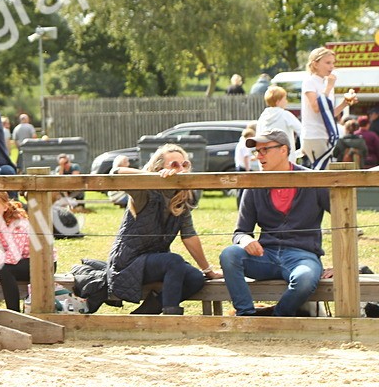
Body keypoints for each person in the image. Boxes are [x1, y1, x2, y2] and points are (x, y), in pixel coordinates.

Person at [219, 130, 330, 317]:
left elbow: (346, 221)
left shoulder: (312, 180)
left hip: (302, 256)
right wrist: (246, 241)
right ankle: (247, 315)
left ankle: (275, 316)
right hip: (265, 255)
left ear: (284, 150)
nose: (258, 156)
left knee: (305, 278)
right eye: (256, 151)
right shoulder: (254, 184)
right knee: (229, 255)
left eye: (264, 150)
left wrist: (340, 266)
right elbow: (240, 232)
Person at [106, 144, 219, 315]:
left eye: (185, 165)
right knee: (173, 261)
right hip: (128, 262)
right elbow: (115, 173)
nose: (181, 170)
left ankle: (148, 311)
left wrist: (208, 271)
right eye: (174, 165)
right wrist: (153, 177)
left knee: (195, 278)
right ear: (159, 168)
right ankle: (171, 316)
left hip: (157, 261)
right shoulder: (145, 191)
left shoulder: (182, 196)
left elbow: (189, 236)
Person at [301, 47, 357, 167]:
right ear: (315, 64)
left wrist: (344, 103)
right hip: (314, 135)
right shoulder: (310, 82)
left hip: (325, 135)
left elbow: (328, 114)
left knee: (325, 173)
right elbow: (316, 108)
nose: (332, 67)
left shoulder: (326, 84)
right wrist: (328, 88)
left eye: (333, 63)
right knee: (322, 174)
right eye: (327, 63)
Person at [0, 191, 38, 312]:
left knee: (4, 269)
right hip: (18, 261)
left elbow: (13, 257)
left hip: (39, 262)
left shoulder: (17, 223)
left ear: (5, 207)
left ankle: (13, 313)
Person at [256, 85, 302, 158]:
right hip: (286, 158)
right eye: (285, 99)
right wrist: (302, 149)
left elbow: (258, 136)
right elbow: (301, 130)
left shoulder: (263, 117)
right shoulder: (285, 115)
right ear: (278, 102)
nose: (286, 102)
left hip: (267, 157)